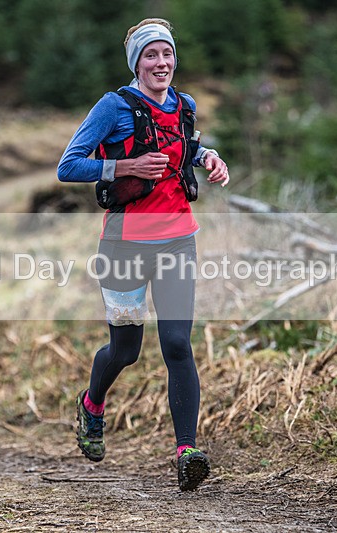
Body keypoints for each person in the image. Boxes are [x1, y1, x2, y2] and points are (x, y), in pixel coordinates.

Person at [57, 18, 229, 491]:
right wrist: (125, 165)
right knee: (126, 350)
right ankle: (92, 404)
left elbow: (183, 147)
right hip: (123, 243)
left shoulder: (184, 105)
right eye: (151, 55)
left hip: (178, 238)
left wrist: (209, 157)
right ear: (136, 63)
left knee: (177, 344)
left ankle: (186, 450)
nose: (161, 63)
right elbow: (68, 165)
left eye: (167, 54)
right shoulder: (113, 107)